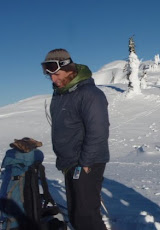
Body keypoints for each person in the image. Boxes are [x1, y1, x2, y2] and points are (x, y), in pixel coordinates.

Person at [41, 48, 110, 230]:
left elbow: (98, 131)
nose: (53, 79)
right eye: (50, 76)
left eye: (57, 74)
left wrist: (85, 163)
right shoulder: (62, 94)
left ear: (70, 69)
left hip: (86, 162)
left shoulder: (90, 94)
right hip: (70, 162)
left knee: (86, 217)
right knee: (76, 214)